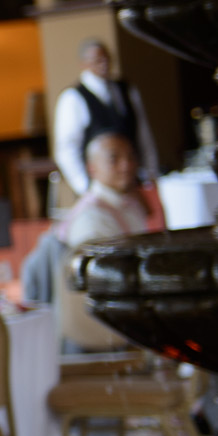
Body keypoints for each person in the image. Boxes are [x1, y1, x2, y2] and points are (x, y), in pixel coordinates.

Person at [56, 128, 158, 352]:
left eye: (131, 157)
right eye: (114, 159)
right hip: (102, 326)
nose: (127, 165)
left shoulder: (128, 203)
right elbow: (98, 285)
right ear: (92, 168)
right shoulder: (92, 217)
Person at [52, 39, 160, 197]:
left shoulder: (127, 90)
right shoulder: (72, 98)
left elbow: (143, 134)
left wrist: (150, 173)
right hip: (99, 187)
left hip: (133, 182)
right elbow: (67, 149)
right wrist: (84, 185)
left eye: (106, 59)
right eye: (97, 60)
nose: (103, 64)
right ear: (84, 64)